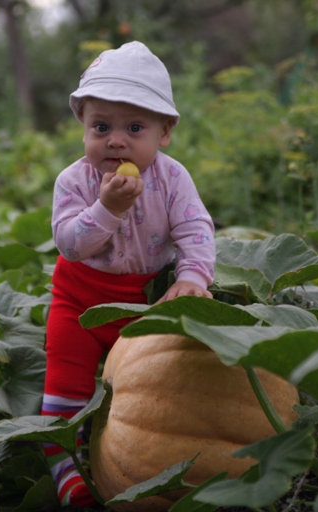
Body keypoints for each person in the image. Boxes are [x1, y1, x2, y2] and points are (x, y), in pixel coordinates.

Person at [42, 41, 216, 507]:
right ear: (83, 127)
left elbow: (195, 227)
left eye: (134, 127)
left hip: (145, 304)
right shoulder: (74, 182)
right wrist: (107, 208)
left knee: (149, 403)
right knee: (64, 394)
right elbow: (70, 244)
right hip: (78, 303)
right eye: (101, 126)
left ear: (165, 132)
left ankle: (140, 462)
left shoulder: (173, 179)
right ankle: (65, 468)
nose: (115, 140)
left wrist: (194, 277)